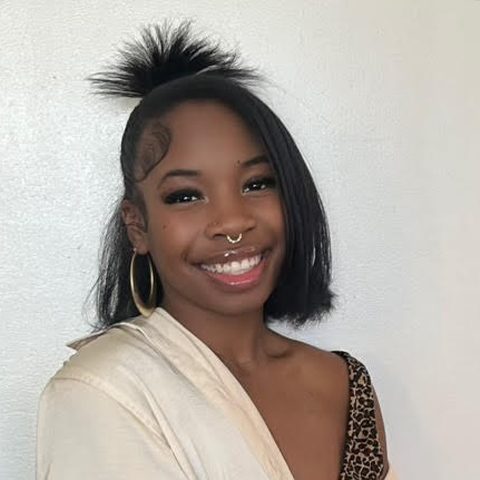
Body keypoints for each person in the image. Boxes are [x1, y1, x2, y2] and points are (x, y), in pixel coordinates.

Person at [36, 21, 398, 480]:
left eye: (257, 183)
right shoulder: (102, 392)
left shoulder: (347, 386)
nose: (232, 222)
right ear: (138, 226)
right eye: (185, 195)